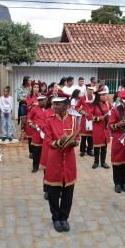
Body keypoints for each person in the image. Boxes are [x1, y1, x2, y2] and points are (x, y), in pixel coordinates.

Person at [43, 90, 80, 232]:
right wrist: (59, 141)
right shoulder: (49, 120)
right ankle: (56, 218)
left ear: (66, 105)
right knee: (53, 193)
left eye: (58, 104)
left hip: (69, 162)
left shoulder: (73, 119)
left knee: (68, 193)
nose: (55, 106)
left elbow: (77, 138)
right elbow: (48, 140)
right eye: (54, 104)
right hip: (54, 161)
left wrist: (74, 142)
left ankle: (64, 217)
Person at [39, 93, 55, 200]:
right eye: (54, 101)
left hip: (59, 144)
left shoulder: (63, 114)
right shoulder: (46, 112)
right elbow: (43, 126)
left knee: (57, 168)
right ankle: (47, 189)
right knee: (47, 168)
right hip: (48, 143)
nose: (56, 104)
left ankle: (57, 189)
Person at [91, 86, 111, 169]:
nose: (104, 96)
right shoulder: (94, 105)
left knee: (104, 146)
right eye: (102, 95)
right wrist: (98, 118)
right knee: (96, 146)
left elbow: (112, 111)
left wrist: (110, 116)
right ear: (98, 96)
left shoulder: (107, 104)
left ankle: (103, 162)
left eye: (105, 95)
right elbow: (89, 116)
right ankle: (96, 162)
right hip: (97, 128)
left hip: (105, 128)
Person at [28, 94, 47, 173]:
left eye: (41, 100)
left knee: (45, 151)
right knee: (36, 151)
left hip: (46, 133)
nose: (40, 102)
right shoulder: (34, 109)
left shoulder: (48, 109)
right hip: (37, 133)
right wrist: (31, 125)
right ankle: (35, 166)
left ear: (45, 100)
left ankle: (45, 165)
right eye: (39, 100)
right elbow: (29, 118)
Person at [76, 83, 95, 157]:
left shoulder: (95, 98)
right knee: (84, 136)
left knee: (91, 136)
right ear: (86, 90)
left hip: (93, 119)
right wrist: (81, 111)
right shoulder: (82, 98)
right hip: (85, 119)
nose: (91, 91)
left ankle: (90, 150)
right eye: (89, 90)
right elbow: (77, 107)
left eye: (92, 90)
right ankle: (82, 150)